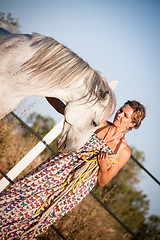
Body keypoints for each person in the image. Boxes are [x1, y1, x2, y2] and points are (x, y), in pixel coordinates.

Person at [0, 98, 146, 240]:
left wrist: (102, 167)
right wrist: (47, 90)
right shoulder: (98, 123)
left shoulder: (123, 151)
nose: (119, 114)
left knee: (38, 217)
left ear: (132, 124)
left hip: (73, 189)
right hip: (54, 170)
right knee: (20, 195)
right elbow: (66, 111)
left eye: (125, 115)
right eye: (120, 110)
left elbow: (103, 182)